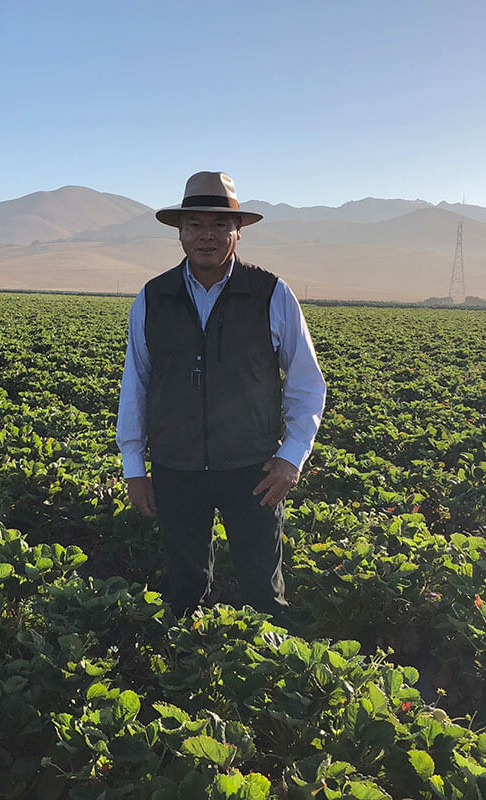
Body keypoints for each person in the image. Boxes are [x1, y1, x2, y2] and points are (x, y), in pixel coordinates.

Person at [116, 171, 326, 623]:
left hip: (252, 470)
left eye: (218, 224)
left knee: (262, 589)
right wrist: (135, 466)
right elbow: (136, 382)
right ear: (180, 232)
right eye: (195, 224)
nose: (206, 235)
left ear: (237, 231)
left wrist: (292, 458)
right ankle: (188, 680)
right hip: (176, 468)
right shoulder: (154, 297)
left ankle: (266, 680)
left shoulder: (272, 293)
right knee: (183, 590)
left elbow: (307, 382)